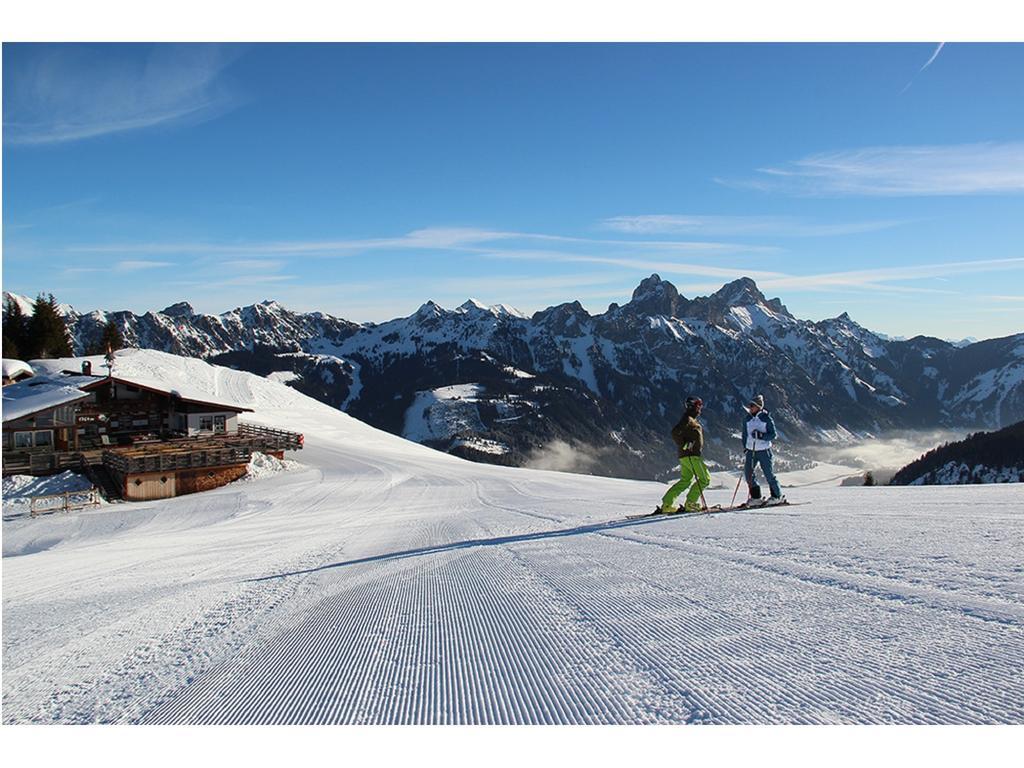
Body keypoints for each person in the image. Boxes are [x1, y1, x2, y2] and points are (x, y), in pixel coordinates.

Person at [658, 396, 710, 513]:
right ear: (694, 406)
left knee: (685, 480)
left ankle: (667, 503)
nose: (700, 408)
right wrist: (685, 444)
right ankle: (691, 503)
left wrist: (685, 445)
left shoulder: (690, 418)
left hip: (684, 456)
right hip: (692, 456)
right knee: (705, 479)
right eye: (699, 405)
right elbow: (675, 432)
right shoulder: (688, 418)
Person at [742, 394, 785, 505]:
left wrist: (761, 436)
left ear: (759, 407)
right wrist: (745, 446)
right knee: (748, 474)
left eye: (752, 405)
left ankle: (777, 496)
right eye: (750, 405)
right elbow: (744, 434)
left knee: (768, 474)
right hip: (751, 450)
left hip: (764, 450)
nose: (750, 408)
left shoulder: (766, 418)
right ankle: (756, 497)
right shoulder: (747, 419)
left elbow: (773, 434)